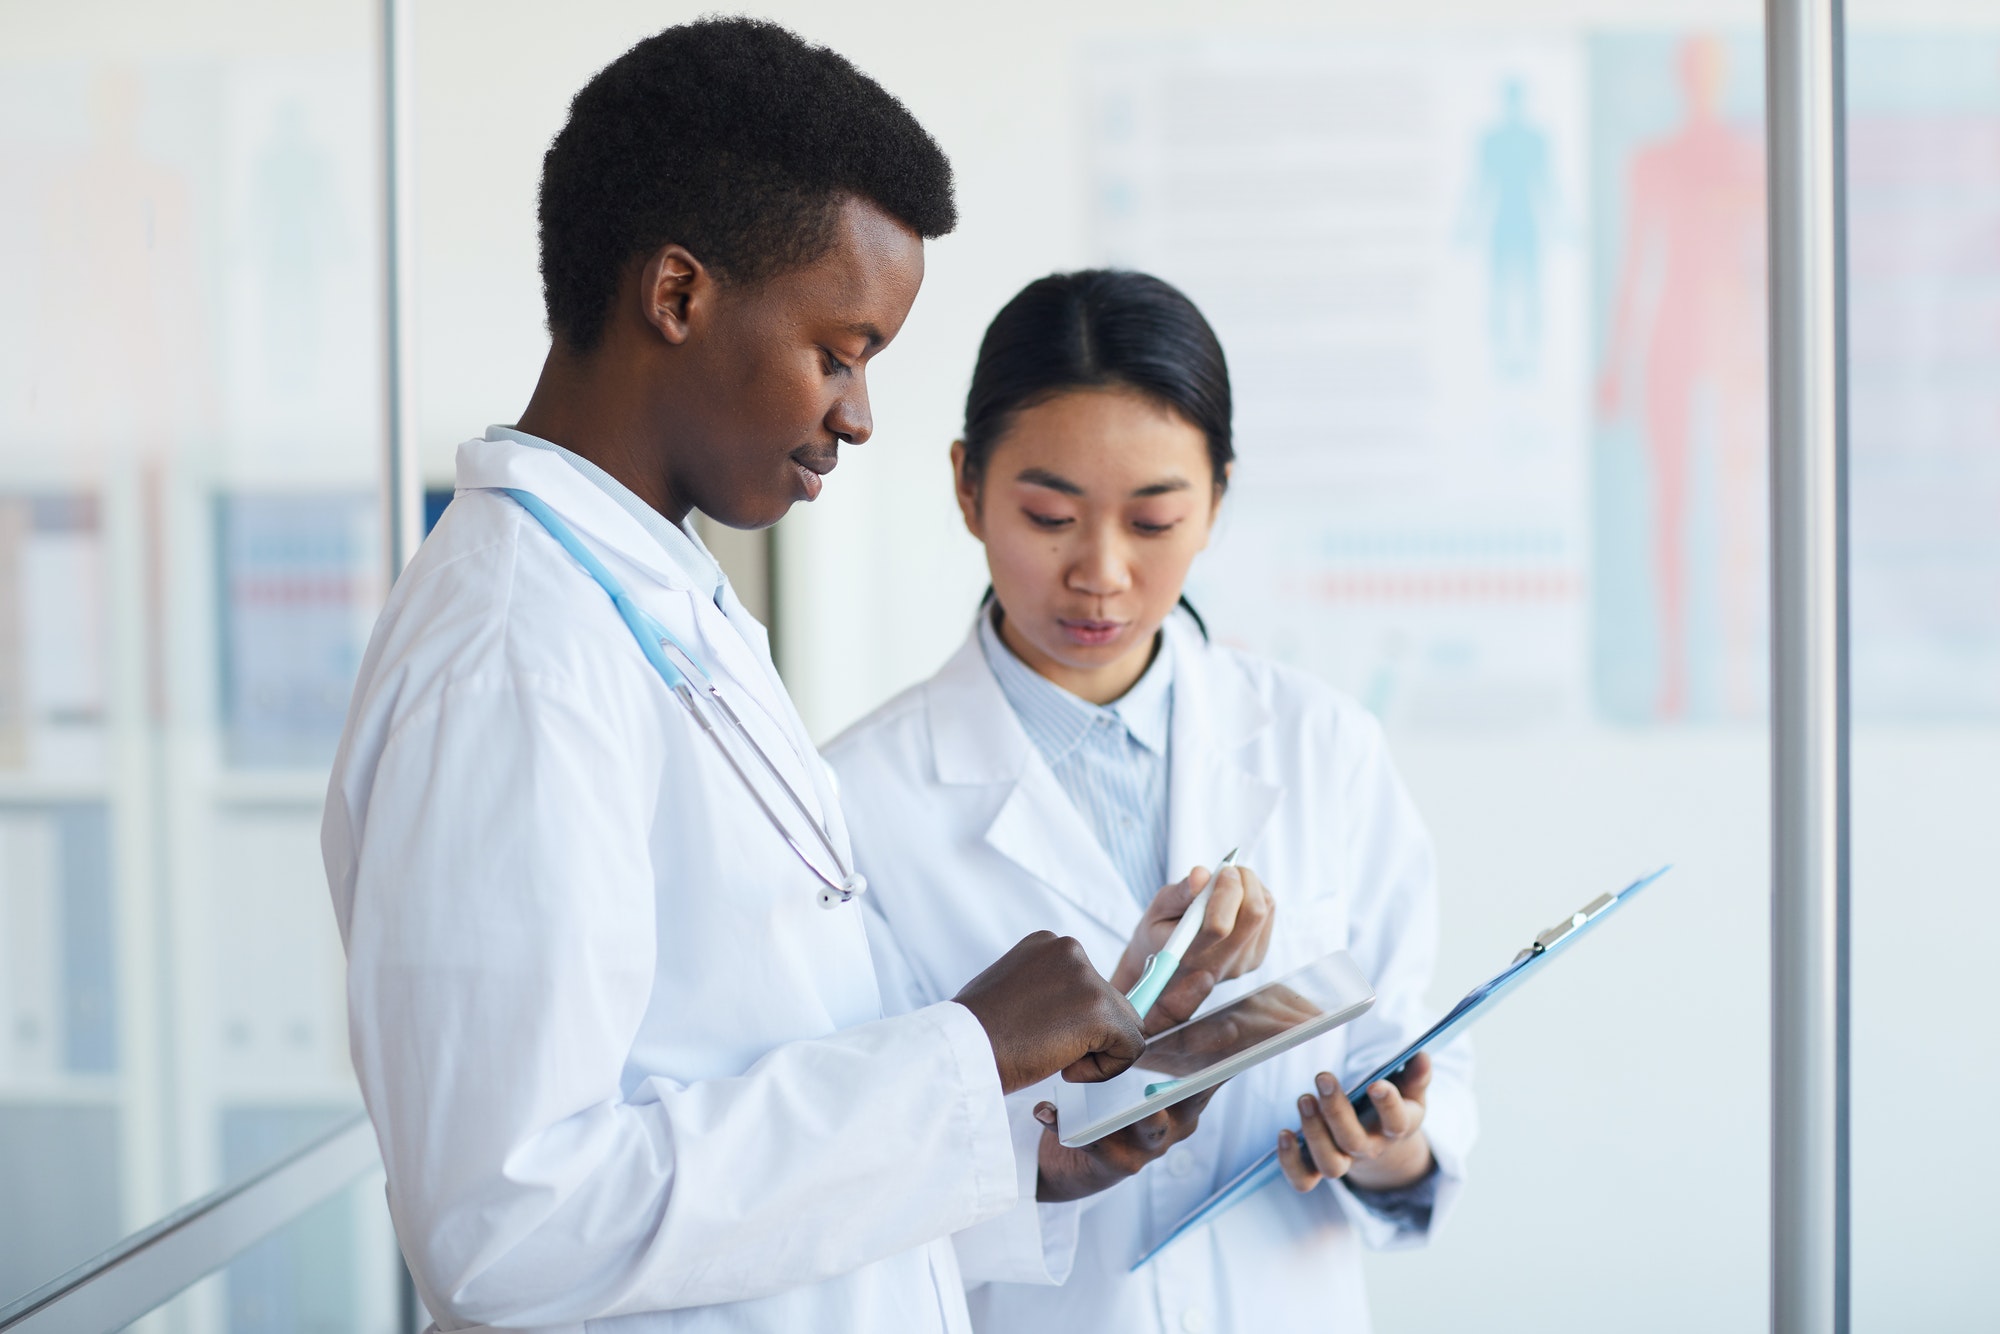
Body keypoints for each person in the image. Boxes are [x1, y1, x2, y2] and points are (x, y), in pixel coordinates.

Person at [321, 23, 1174, 1333]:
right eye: (840, 349)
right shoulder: (514, 655)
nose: (858, 413)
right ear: (677, 295)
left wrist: (1003, 1150)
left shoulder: (657, 601)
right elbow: (506, 1223)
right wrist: (963, 1052)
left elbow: (735, 1058)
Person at [826, 270, 1477, 1334]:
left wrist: (1390, 1136)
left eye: (1154, 516)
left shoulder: (1324, 747)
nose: (1101, 572)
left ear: (1215, 499)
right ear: (963, 486)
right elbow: (842, 1170)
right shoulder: (853, 801)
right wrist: (1051, 1142)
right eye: (1048, 515)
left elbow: (1418, 1066)